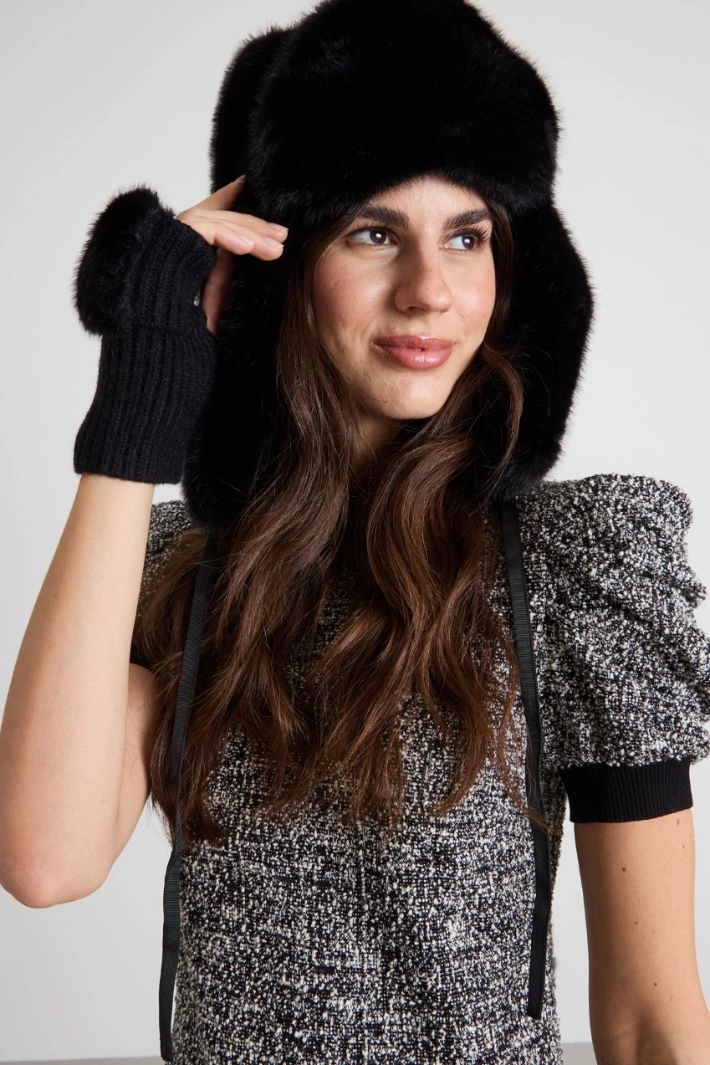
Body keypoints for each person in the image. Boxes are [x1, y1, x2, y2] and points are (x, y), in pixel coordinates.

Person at [1, 0, 709, 1062]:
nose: (429, 292)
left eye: (466, 236)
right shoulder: (176, 574)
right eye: (373, 233)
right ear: (281, 266)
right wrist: (144, 385)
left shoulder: (575, 567)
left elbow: (652, 1021)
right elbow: (43, 862)